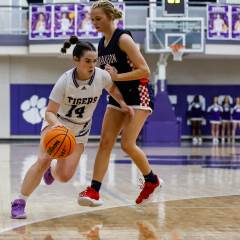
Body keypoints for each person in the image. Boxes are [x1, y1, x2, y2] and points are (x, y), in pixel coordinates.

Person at [10, 36, 133, 219]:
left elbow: (112, 89)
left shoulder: (102, 76)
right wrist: (59, 127)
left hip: (81, 131)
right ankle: (20, 201)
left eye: (94, 61)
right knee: (43, 158)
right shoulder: (65, 81)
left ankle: (51, 171)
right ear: (76, 60)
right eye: (87, 61)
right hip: (57, 124)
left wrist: (123, 104)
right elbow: (49, 112)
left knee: (65, 176)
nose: (92, 65)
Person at [78, 0, 162, 206]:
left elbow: (145, 70)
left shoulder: (123, 38)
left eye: (99, 18)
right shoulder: (100, 45)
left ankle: (151, 180)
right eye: (93, 19)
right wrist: (119, 99)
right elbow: (109, 79)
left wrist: (118, 77)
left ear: (110, 17)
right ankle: (94, 191)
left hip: (139, 92)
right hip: (120, 95)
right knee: (105, 142)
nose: (95, 23)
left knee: (127, 144)